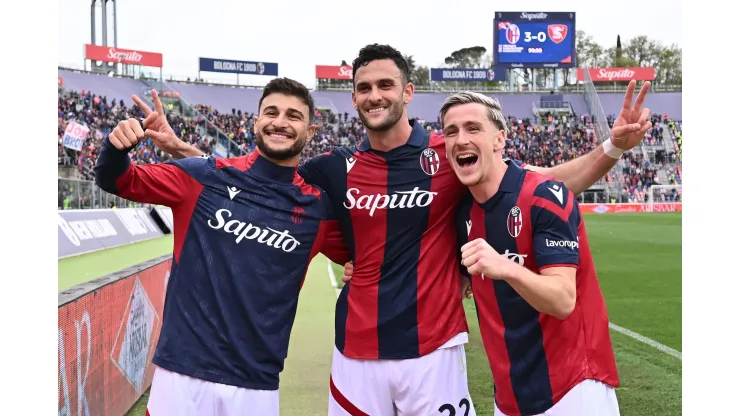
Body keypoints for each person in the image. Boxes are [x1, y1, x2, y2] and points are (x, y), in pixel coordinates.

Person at [143, 44, 650, 416]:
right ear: (354, 98)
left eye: (386, 85)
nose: (375, 95)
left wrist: (614, 149)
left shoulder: (448, 153)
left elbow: (538, 183)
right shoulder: (334, 167)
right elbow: (261, 177)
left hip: (434, 350)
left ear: (407, 92)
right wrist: (185, 152)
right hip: (355, 350)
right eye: (364, 88)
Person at [94, 78, 350, 416]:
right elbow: (117, 179)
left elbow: (370, 256)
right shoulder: (202, 175)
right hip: (180, 374)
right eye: (271, 112)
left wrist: (355, 267)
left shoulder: (318, 208)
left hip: (255, 383)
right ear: (256, 121)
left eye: (293, 115)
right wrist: (117, 145)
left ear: (311, 130)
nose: (280, 122)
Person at [446, 91, 622, 416]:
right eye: (451, 131)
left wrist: (506, 267)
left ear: (500, 139)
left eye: (473, 128)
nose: (461, 139)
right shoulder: (461, 212)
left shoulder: (544, 196)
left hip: (572, 388)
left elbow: (562, 300)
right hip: (510, 398)